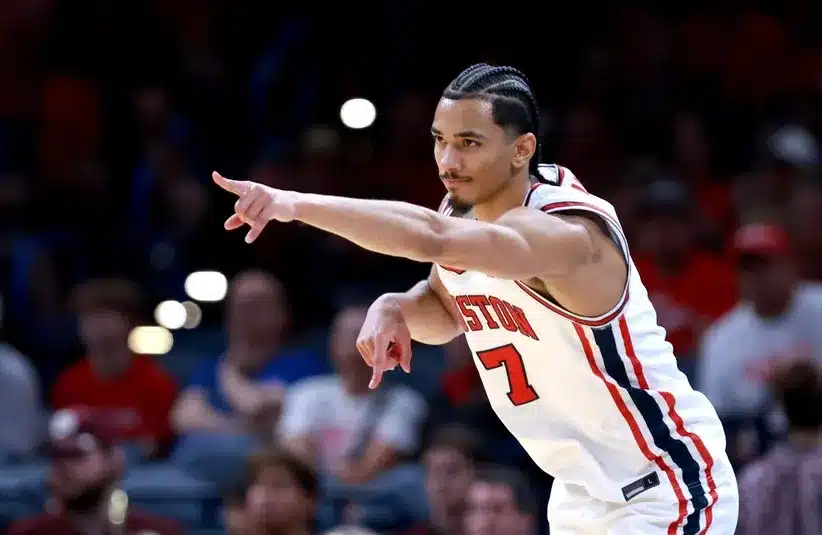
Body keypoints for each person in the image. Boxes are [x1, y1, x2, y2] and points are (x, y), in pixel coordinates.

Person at [213, 63, 738, 534]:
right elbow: (447, 306)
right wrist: (395, 305)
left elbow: (431, 238)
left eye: (468, 143)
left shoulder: (568, 232)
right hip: (581, 492)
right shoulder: (464, 211)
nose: (447, 159)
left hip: (665, 482)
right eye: (440, 140)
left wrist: (294, 204)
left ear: (522, 149)